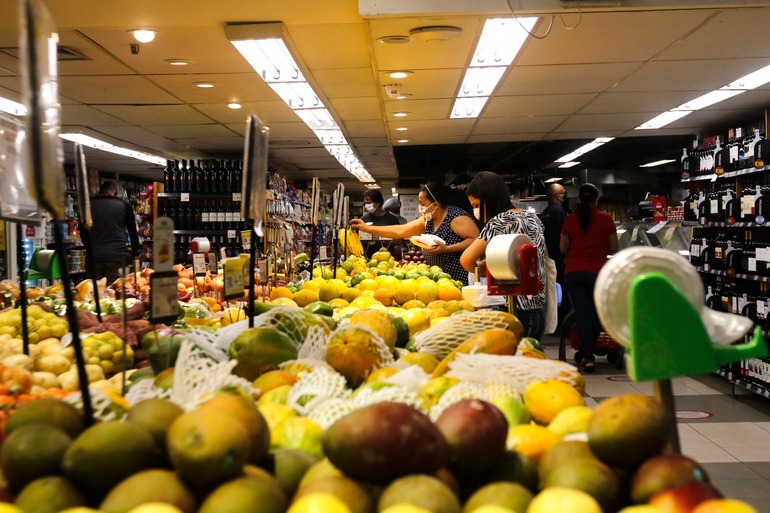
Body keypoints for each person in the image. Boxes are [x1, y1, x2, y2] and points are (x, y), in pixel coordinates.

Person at [460, 171, 548, 340]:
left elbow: (466, 260)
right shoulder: (533, 219)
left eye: (477, 205)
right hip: (537, 313)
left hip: (511, 312)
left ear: (490, 199)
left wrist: (487, 270)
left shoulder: (498, 222)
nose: (475, 211)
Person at [351, 182, 478, 285]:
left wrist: (447, 249)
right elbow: (401, 231)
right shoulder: (428, 219)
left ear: (435, 204)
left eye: (422, 204)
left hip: (459, 278)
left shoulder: (456, 218)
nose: (420, 206)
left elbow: (476, 240)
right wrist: (366, 228)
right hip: (439, 278)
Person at [560, 183, 618, 373]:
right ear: (596, 200)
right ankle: (588, 354)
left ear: (579, 200)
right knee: (595, 313)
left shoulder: (570, 220)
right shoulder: (606, 219)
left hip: (573, 272)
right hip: (598, 273)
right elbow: (613, 249)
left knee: (582, 313)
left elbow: (563, 248)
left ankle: (588, 356)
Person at [82, 179, 140, 284]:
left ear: (100, 191)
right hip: (116, 256)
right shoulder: (124, 205)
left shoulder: (87, 205)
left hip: (93, 257)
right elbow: (132, 232)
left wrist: (89, 247)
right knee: (113, 290)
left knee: (92, 291)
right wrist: (135, 254)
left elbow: (82, 231)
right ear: (116, 192)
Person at [540, 183, 569, 329]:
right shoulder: (559, 211)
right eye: (563, 194)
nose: (564, 197)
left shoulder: (545, 212)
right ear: (557, 196)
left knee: (554, 294)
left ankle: (554, 324)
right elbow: (565, 237)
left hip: (549, 259)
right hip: (560, 260)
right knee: (562, 294)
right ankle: (562, 325)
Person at [360, 189, 401, 259]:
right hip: (367, 259)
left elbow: (399, 241)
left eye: (369, 203)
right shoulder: (363, 220)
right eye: (365, 203)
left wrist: (380, 237)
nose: (366, 206)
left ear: (377, 203)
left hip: (388, 260)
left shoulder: (391, 219)